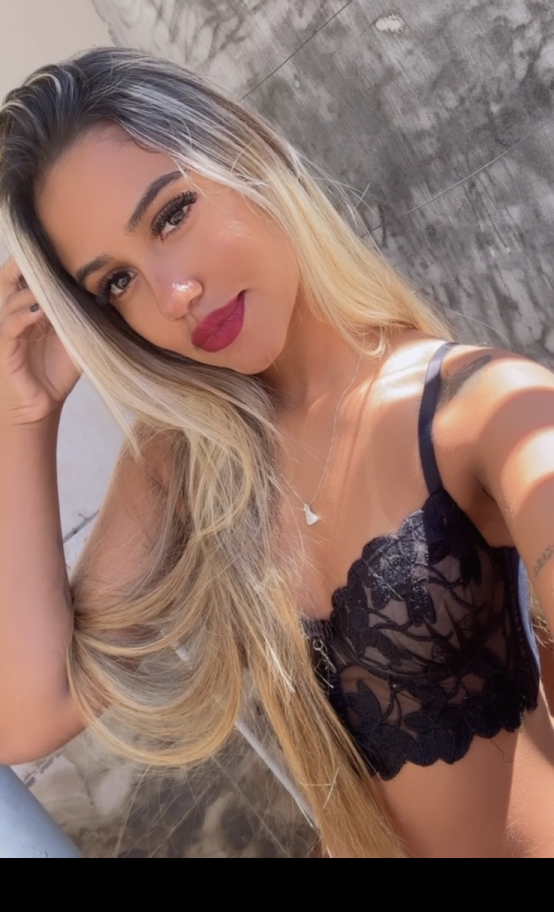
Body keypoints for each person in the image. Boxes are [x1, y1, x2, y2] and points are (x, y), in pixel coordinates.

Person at [0, 48, 553, 860]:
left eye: (171, 215)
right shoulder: (187, 461)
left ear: (248, 153)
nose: (172, 295)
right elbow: (27, 713)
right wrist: (24, 419)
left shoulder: (474, 408)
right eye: (115, 283)